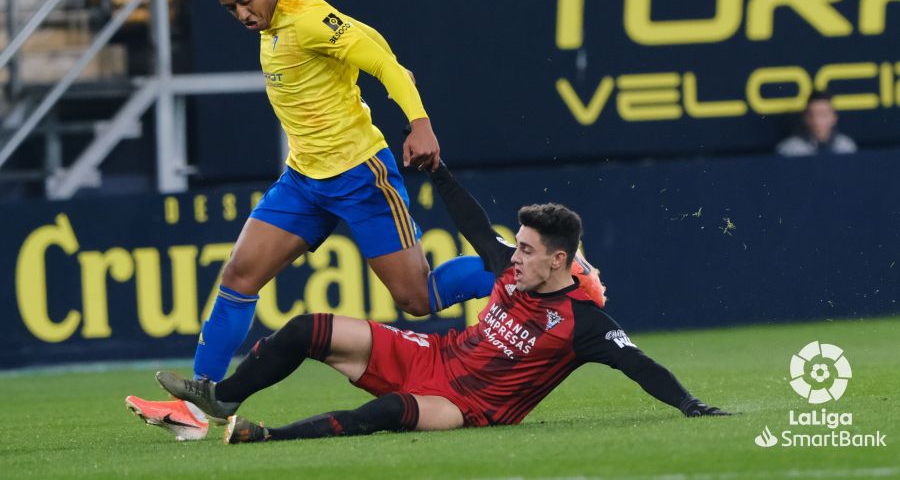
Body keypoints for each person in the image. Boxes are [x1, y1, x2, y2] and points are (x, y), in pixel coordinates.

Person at [125, 0, 508, 439]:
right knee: (240, 275)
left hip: (358, 175)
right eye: (230, 9)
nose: (242, 14)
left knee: (417, 297)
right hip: (304, 179)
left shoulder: (306, 17)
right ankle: (202, 401)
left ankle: (524, 272)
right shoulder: (272, 19)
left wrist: (420, 123)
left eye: (245, 0)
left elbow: (384, 61)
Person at [140, 161, 727, 444]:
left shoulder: (584, 323)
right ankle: (221, 400)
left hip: (473, 404)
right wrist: (440, 175)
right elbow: (473, 223)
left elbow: (638, 362)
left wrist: (689, 404)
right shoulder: (508, 266)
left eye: (525, 250)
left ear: (558, 261)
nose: (512, 256)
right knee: (305, 328)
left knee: (390, 413)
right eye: (515, 246)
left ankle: (265, 436)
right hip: (436, 354)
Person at [775, 91, 857, 157]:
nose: (817, 121)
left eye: (823, 114)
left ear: (834, 118)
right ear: (805, 118)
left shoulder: (846, 147)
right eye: (812, 115)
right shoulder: (789, 150)